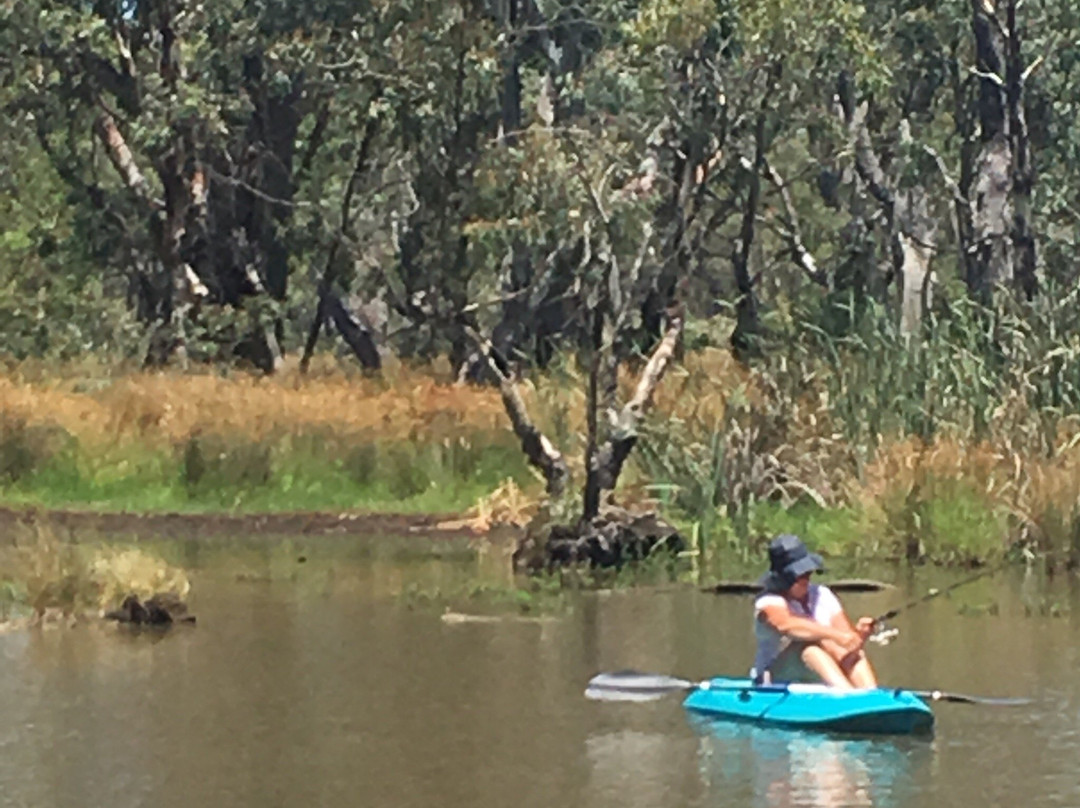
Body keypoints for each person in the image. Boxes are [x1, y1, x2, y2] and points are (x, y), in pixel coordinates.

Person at [751, 534, 878, 689]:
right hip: (773, 680)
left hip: (817, 676)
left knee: (853, 654)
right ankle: (846, 695)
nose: (807, 579)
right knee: (809, 649)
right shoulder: (768, 601)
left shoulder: (823, 594)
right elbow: (787, 625)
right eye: (801, 575)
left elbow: (846, 641)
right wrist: (836, 636)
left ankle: (871, 696)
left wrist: (858, 636)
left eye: (808, 573)